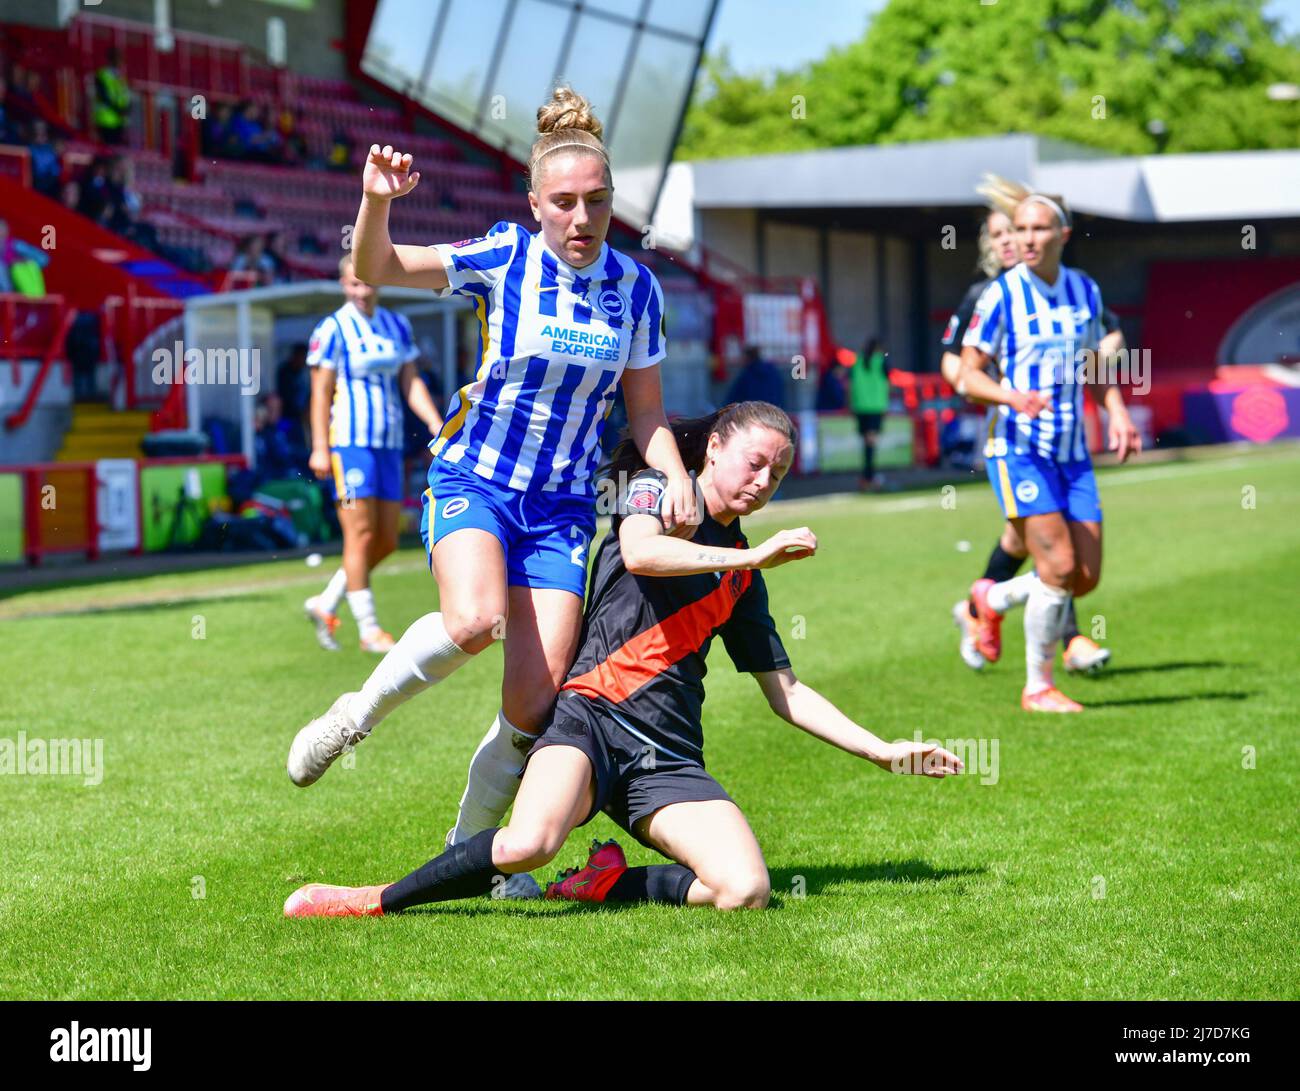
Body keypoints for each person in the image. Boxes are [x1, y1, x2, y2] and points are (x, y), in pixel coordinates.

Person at [283, 401, 964, 918]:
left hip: (666, 754)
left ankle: (608, 882)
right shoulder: (654, 489)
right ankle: (372, 898)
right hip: (588, 721)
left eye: (778, 474)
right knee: (528, 843)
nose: (763, 481)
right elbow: (642, 551)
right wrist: (750, 554)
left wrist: (881, 750)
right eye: (754, 462)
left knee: (745, 888)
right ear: (715, 447)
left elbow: (785, 690)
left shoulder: (741, 576)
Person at [286, 87, 699, 881]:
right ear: (535, 203)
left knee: (532, 706)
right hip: (475, 475)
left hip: (564, 509)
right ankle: (351, 718)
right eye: (566, 203)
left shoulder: (637, 289)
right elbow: (378, 264)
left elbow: (645, 412)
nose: (583, 219)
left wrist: (675, 473)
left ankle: (469, 850)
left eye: (599, 202)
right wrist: (376, 203)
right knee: (473, 619)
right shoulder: (506, 256)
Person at [955, 191, 1141, 713]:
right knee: (1057, 566)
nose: (1026, 239)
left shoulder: (1085, 290)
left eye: (1038, 229)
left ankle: (989, 599)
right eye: (1019, 230)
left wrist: (1118, 413)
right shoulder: (1001, 296)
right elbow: (968, 375)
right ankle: (1039, 686)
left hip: (1072, 451)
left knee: (1084, 577)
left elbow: (1095, 364)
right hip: (1016, 447)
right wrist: (1010, 394)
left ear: (1061, 235)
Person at [301, 253, 444, 653]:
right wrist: (319, 446)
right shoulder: (332, 328)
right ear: (344, 285)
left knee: (386, 541)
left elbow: (411, 382)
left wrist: (435, 423)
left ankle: (325, 602)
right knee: (359, 534)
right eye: (354, 284)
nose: (362, 291)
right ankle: (368, 629)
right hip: (348, 444)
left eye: (367, 282)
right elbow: (320, 392)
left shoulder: (396, 325)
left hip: (389, 444)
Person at [848, 336, 890, 490]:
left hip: (860, 407)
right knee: (871, 443)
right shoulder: (881, 361)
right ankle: (869, 476)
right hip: (875, 407)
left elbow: (850, 384)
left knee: (866, 443)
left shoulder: (857, 362)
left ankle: (867, 476)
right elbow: (887, 382)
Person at [726, 344, 785, 409]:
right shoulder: (773, 371)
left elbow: (733, 399)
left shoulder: (747, 375)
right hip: (773, 411)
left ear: (747, 358)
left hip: (753, 413)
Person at [93, 48, 131, 146]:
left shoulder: (120, 77)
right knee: (107, 149)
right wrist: (119, 110)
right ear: (111, 60)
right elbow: (104, 97)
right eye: (118, 59)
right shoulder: (102, 75)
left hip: (120, 120)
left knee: (117, 150)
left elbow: (124, 96)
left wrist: (127, 109)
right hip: (106, 120)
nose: (120, 62)